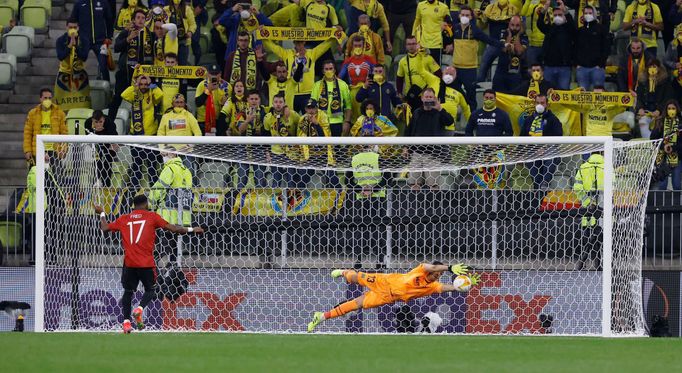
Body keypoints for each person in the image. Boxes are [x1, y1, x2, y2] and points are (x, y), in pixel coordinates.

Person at [94, 195, 204, 333]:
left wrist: (102, 212)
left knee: (128, 292)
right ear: (146, 204)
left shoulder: (124, 219)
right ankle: (139, 310)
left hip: (129, 263)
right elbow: (174, 229)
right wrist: (192, 230)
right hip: (146, 263)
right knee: (151, 290)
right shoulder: (152, 217)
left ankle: (126, 323)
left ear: (133, 205)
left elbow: (104, 228)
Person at [306, 262, 478, 332]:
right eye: (437, 273)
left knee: (355, 304)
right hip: (384, 282)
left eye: (439, 275)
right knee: (356, 277)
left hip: (386, 298)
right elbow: (429, 266)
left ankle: (321, 317)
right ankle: (343, 271)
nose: (436, 276)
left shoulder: (431, 287)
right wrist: (449, 267)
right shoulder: (422, 270)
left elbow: (448, 287)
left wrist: (463, 285)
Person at [262, 33, 336, 113]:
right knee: (290, 120)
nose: (299, 44)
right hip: (291, 93)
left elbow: (324, 46)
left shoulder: (312, 53)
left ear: (304, 41)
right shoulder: (286, 54)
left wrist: (335, 35)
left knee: (308, 119)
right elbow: (272, 47)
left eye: (300, 42)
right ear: (293, 42)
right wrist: (262, 35)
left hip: (307, 93)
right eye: (297, 42)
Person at [450, 6, 503, 109]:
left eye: (467, 15)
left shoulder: (475, 30)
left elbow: (489, 40)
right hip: (456, 67)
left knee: (471, 96)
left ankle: (472, 118)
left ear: (471, 17)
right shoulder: (454, 28)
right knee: (453, 92)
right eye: (463, 15)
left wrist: (502, 45)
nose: (464, 17)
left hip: (469, 69)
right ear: (459, 15)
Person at [404, 88, 454, 190]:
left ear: (434, 98)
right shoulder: (417, 112)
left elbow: (449, 121)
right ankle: (415, 205)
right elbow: (409, 131)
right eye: (426, 97)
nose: (428, 99)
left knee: (433, 185)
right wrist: (405, 147)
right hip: (416, 153)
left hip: (433, 155)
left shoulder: (439, 112)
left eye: (431, 97)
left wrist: (440, 109)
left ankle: (434, 205)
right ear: (422, 98)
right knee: (414, 184)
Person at [121, 75, 164, 189]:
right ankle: (135, 189)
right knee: (137, 165)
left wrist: (152, 86)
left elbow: (160, 96)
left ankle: (154, 190)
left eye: (146, 84)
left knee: (152, 166)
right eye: (141, 84)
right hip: (136, 134)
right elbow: (124, 95)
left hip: (150, 135)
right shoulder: (134, 93)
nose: (143, 87)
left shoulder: (152, 93)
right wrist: (134, 86)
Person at [109, 10, 152, 121]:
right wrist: (128, 39)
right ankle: (109, 125)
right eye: (138, 17)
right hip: (125, 73)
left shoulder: (149, 34)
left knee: (143, 101)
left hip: (142, 75)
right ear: (133, 19)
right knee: (116, 99)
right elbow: (117, 48)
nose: (141, 20)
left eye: (143, 18)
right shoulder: (126, 31)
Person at [520, 94, 563, 189]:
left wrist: (545, 147)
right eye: (537, 103)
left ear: (547, 104)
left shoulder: (553, 119)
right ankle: (538, 185)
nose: (539, 105)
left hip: (548, 149)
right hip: (532, 150)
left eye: (542, 103)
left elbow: (558, 136)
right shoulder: (528, 120)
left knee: (551, 155)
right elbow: (522, 137)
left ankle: (545, 183)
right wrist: (526, 150)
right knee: (529, 159)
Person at [264, 92, 302, 193]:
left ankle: (292, 203)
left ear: (284, 103)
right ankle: (274, 204)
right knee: (276, 180)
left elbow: (301, 129)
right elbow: (266, 136)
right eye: (276, 102)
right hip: (275, 152)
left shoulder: (293, 115)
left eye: (280, 102)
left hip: (292, 153)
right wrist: (267, 152)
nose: (278, 104)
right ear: (272, 103)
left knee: (291, 181)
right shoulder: (268, 118)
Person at [573, 152, 604, 270]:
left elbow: (577, 187)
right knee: (600, 238)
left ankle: (582, 263)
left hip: (587, 208)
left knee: (586, 237)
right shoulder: (607, 167)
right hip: (602, 208)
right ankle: (599, 264)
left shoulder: (583, 167)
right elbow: (613, 187)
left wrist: (587, 201)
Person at [234, 90, 270, 189]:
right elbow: (240, 130)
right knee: (242, 179)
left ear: (259, 100)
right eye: (252, 99)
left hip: (259, 148)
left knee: (259, 179)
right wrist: (248, 120)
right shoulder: (241, 112)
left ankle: (261, 202)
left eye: (256, 99)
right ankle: (238, 201)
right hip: (243, 148)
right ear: (247, 100)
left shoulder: (265, 111)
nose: (254, 101)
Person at [476, 0, 519, 83]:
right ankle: (479, 84)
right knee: (484, 65)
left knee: (509, 68)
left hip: (508, 44)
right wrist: (479, 18)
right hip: (493, 43)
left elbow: (518, 26)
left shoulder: (514, 9)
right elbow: (482, 25)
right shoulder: (489, 8)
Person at [536, 0, 576, 90]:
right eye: (555, 15)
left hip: (564, 68)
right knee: (547, 92)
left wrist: (565, 10)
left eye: (560, 15)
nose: (557, 17)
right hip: (549, 67)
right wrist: (545, 8)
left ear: (564, 16)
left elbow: (572, 26)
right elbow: (539, 24)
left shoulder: (569, 29)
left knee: (563, 92)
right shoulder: (550, 28)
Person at [71, 0, 114, 81]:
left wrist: (109, 36)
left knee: (103, 66)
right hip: (84, 42)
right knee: (76, 66)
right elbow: (73, 21)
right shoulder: (79, 3)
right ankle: (75, 89)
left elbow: (109, 20)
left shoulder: (103, 2)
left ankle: (107, 90)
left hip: (100, 42)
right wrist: (75, 38)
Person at [55, 18, 91, 110]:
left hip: (80, 75)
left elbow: (84, 57)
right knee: (62, 105)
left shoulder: (84, 40)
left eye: (75, 27)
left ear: (78, 28)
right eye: (70, 27)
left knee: (82, 104)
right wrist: (69, 46)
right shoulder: (60, 40)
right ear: (66, 27)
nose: (73, 29)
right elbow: (60, 56)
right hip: (64, 75)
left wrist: (76, 46)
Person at [396, 35, 441, 109]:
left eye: (413, 44)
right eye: (409, 44)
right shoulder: (402, 61)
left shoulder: (427, 58)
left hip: (426, 96)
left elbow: (438, 74)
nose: (411, 46)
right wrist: (399, 93)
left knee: (427, 118)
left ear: (417, 44)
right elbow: (399, 78)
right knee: (412, 118)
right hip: (410, 95)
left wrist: (436, 90)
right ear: (406, 46)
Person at [23, 89, 67, 164]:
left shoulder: (60, 114)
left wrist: (63, 150)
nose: (48, 100)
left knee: (55, 175)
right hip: (37, 150)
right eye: (45, 98)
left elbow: (64, 133)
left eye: (50, 98)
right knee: (37, 175)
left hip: (54, 151)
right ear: (40, 99)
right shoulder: (32, 113)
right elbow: (27, 133)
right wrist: (27, 150)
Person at [311, 61, 353, 137]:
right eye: (326, 69)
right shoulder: (317, 85)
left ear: (334, 70)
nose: (329, 71)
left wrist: (347, 122)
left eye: (331, 68)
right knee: (323, 148)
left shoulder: (342, 84)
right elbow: (312, 105)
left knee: (336, 148)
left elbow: (348, 106)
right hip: (321, 122)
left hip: (337, 122)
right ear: (323, 71)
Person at [635, 59, 675, 137]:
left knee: (659, 124)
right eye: (650, 67)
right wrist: (640, 108)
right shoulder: (642, 81)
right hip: (646, 112)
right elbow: (639, 98)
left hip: (660, 112)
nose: (652, 69)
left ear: (659, 68)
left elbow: (668, 98)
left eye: (654, 66)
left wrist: (659, 110)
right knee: (642, 122)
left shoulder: (665, 81)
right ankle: (649, 144)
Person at [575, 5, 610, 91]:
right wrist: (577, 64)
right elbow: (575, 48)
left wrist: (601, 63)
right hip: (582, 68)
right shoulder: (579, 31)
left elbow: (606, 47)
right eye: (586, 13)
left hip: (597, 68)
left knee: (598, 96)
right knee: (582, 97)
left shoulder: (601, 29)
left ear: (594, 14)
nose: (588, 15)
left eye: (590, 13)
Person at [340, 36, 376, 120]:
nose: (357, 48)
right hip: (352, 93)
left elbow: (378, 74)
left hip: (367, 92)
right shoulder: (348, 61)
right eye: (355, 45)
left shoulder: (370, 60)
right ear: (352, 46)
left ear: (363, 46)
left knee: (366, 118)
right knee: (353, 119)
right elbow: (340, 78)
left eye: (359, 45)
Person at [650, 100, 682, 190]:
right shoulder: (660, 121)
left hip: (677, 157)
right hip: (662, 158)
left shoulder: (681, 124)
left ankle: (677, 204)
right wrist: (663, 147)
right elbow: (653, 140)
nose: (671, 110)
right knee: (662, 185)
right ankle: (661, 204)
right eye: (669, 108)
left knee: (677, 185)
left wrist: (673, 148)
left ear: (677, 110)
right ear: (666, 110)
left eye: (673, 108)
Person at [492, 14, 528, 93]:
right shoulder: (503, 33)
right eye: (512, 25)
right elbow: (504, 49)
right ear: (508, 24)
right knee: (497, 96)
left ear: (521, 26)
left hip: (515, 73)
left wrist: (518, 35)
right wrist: (509, 35)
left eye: (517, 25)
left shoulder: (524, 36)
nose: (514, 28)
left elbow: (519, 51)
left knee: (514, 97)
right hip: (501, 71)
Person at [84, 110, 118, 187]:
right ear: (92, 120)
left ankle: (107, 185)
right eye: (96, 122)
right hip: (96, 143)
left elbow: (113, 140)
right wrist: (95, 130)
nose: (99, 124)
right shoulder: (87, 123)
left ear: (104, 119)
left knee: (107, 161)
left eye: (101, 122)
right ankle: (98, 180)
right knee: (98, 161)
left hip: (111, 143)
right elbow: (88, 138)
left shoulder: (110, 123)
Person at [412, 0, 451, 64]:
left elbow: (449, 26)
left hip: (437, 43)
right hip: (423, 43)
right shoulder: (420, 5)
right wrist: (414, 37)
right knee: (423, 67)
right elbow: (417, 21)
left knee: (436, 69)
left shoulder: (444, 7)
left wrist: (449, 42)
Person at [195, 65, 229, 135]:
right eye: (212, 74)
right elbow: (198, 103)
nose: (214, 76)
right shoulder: (202, 85)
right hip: (204, 121)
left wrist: (224, 104)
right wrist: (208, 90)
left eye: (216, 74)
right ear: (207, 74)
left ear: (220, 74)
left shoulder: (227, 86)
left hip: (220, 121)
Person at [437, 66, 471, 133]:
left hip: (450, 127)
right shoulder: (435, 84)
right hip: (434, 125)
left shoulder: (460, 92)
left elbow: (466, 109)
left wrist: (471, 124)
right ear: (442, 74)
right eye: (446, 73)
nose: (448, 76)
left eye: (451, 74)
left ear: (455, 76)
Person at [164, 0, 197, 65]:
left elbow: (193, 24)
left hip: (183, 41)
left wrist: (190, 32)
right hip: (170, 41)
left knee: (182, 64)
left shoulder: (187, 9)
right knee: (170, 65)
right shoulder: (166, 9)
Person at [520, 0, 546, 66]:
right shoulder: (533, 7)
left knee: (545, 72)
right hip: (533, 44)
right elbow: (523, 13)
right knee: (532, 71)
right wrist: (528, 1)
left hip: (546, 45)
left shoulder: (551, 10)